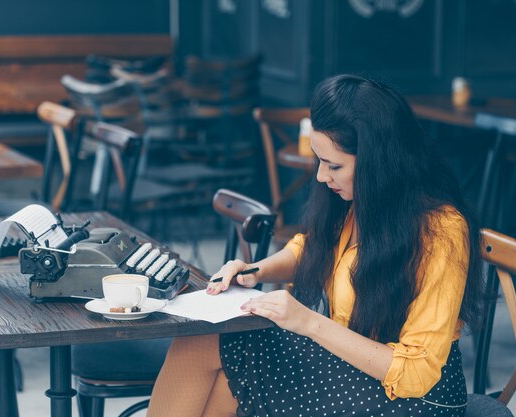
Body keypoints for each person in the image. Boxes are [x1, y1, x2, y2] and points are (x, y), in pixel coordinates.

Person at [147, 74, 483, 417]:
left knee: (213, 346)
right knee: (216, 361)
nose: (322, 176)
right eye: (319, 161)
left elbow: (416, 374)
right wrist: (254, 270)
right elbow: (312, 246)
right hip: (359, 369)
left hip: (418, 399)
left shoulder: (442, 231)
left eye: (334, 165)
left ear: (378, 163)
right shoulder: (366, 201)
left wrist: (307, 321)